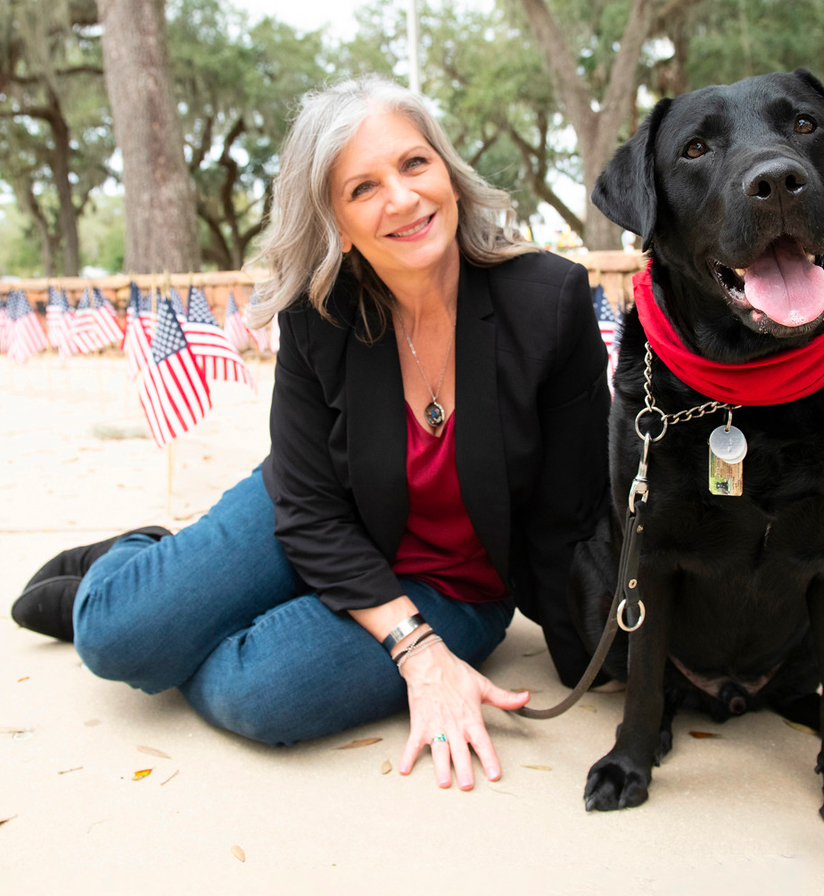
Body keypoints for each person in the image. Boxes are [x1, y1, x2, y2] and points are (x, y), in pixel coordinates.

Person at [11, 76, 610, 791]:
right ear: (335, 223)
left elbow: (572, 506)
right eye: (363, 188)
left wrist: (585, 648)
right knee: (116, 638)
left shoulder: (549, 302)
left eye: (415, 163)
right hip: (312, 516)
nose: (403, 198)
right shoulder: (317, 312)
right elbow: (308, 505)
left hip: (455, 584)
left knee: (260, 697)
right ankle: (133, 561)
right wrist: (416, 655)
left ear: (446, 169)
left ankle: (176, 613)